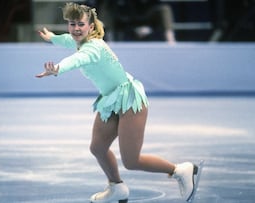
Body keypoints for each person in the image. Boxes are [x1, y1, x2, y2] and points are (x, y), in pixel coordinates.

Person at [36, 3, 198, 202]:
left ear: (91, 27)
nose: (76, 28)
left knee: (131, 160)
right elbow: (69, 41)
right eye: (72, 24)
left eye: (81, 24)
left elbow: (76, 59)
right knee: (97, 148)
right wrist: (52, 38)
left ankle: (179, 170)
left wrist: (58, 68)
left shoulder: (93, 48)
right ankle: (117, 187)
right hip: (111, 99)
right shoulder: (80, 39)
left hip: (129, 99)